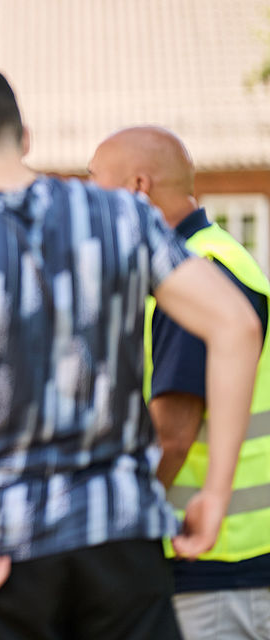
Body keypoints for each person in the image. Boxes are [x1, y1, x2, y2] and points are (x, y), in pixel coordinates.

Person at [0, 62, 262, 639]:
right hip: (122, 537)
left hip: (1, 545)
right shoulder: (123, 215)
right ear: (25, 139)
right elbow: (236, 327)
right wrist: (216, 492)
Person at [90, 126, 270, 640]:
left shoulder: (194, 274)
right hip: (222, 554)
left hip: (212, 562)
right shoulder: (213, 257)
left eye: (97, 186)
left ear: (137, 189)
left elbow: (172, 434)